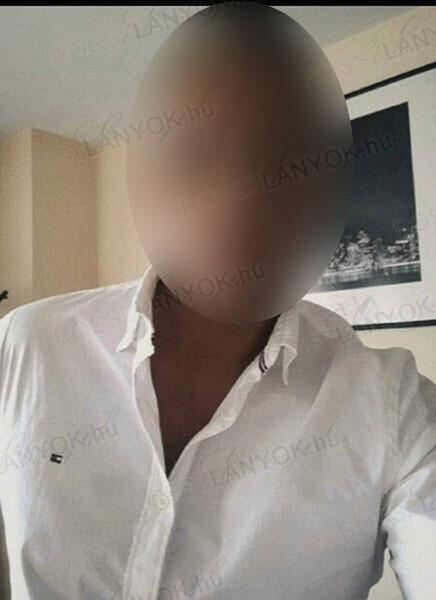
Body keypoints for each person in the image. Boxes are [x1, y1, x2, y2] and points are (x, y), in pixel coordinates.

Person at [0, 3, 435, 600]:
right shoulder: (27, 347)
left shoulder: (391, 405)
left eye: (290, 162)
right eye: (196, 154)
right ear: (141, 176)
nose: (242, 204)